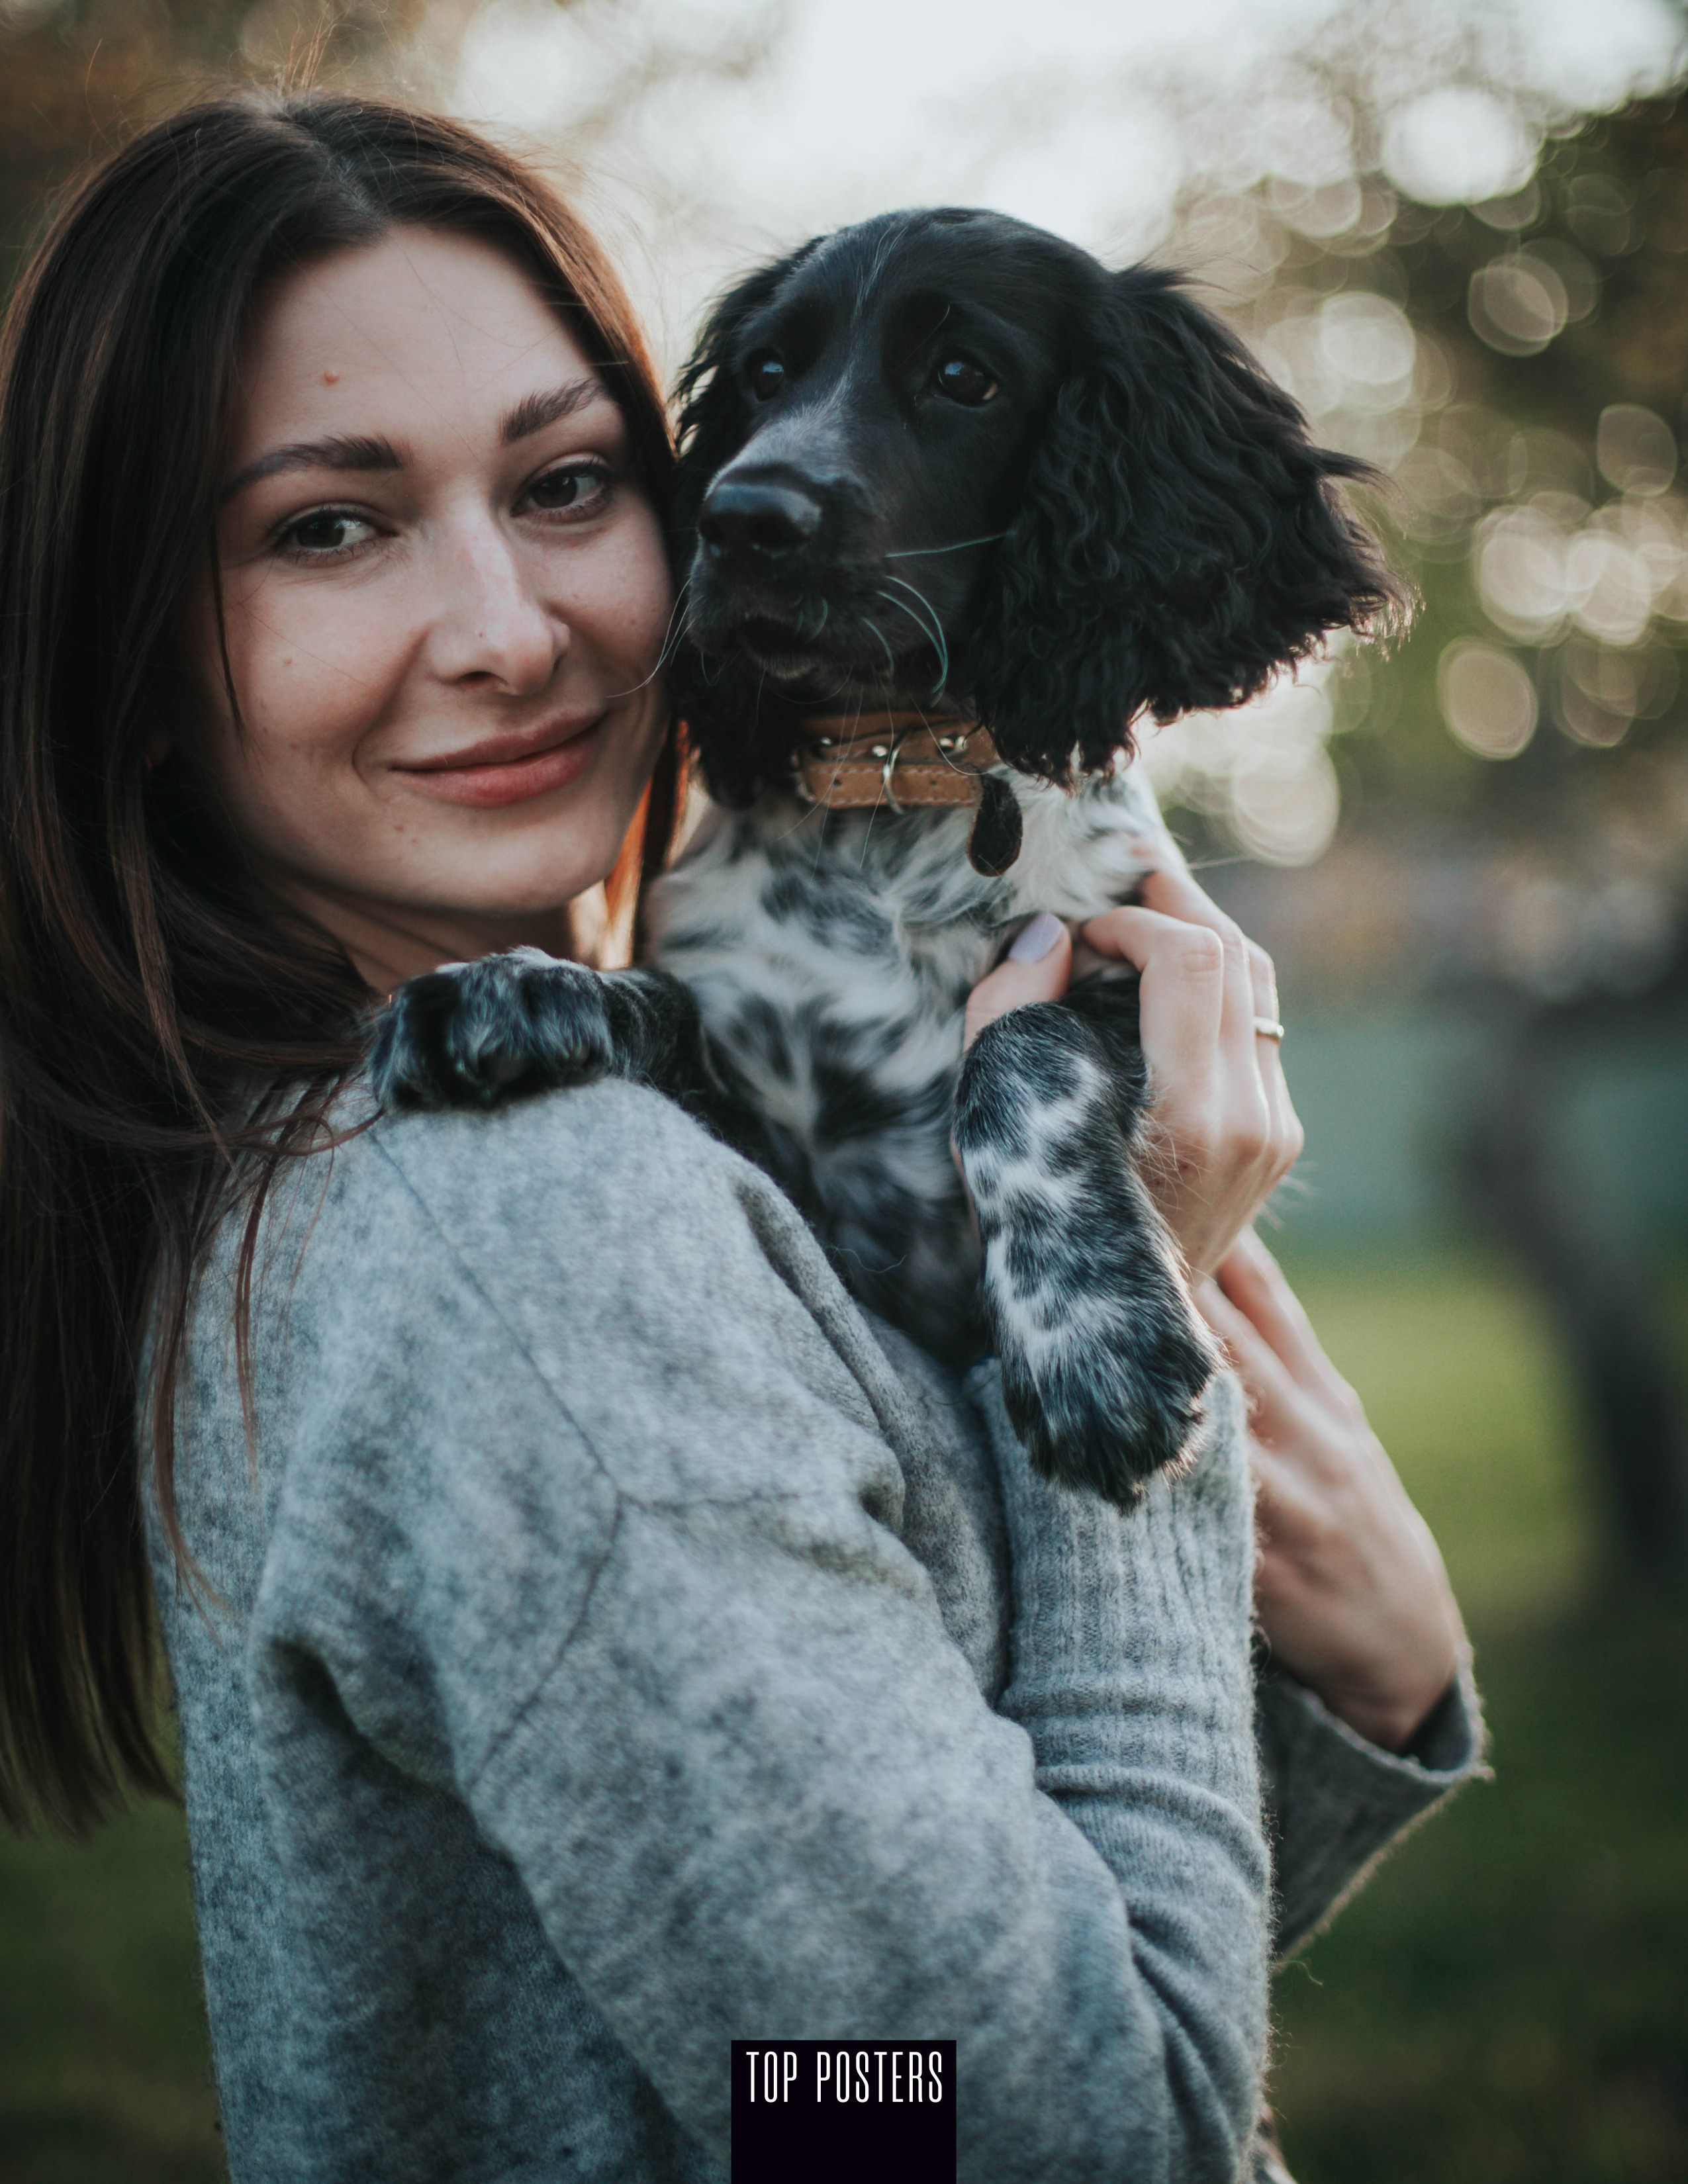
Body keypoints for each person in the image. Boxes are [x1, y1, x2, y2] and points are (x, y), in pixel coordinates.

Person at [0, 87, 1481, 2183]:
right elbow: (1012, 2133)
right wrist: (1141, 1435)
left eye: (568, 484)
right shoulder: (532, 1236)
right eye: (326, 525)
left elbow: (802, 2048)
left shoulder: (410, 1144)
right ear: (126, 647)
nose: (512, 631)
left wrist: (1370, 1685)